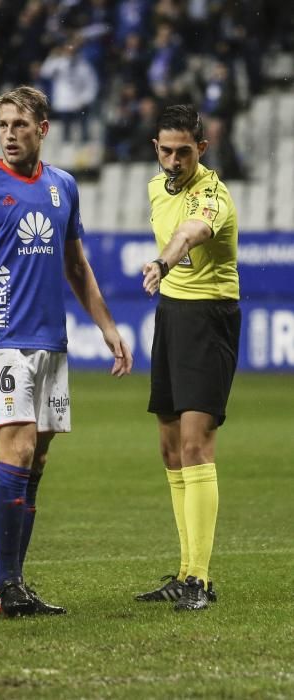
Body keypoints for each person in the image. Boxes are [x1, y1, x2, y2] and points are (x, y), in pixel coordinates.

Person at [0, 85, 133, 618]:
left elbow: (77, 267)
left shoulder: (63, 187)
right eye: (4, 125)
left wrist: (107, 326)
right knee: (14, 454)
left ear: (43, 128)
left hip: (51, 344)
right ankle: (4, 585)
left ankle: (14, 583)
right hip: (1, 339)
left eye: (20, 124)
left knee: (36, 459)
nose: (10, 133)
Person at [135, 104, 240, 611]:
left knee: (198, 446)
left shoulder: (214, 197)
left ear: (202, 148)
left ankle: (200, 579)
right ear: (155, 148)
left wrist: (161, 261)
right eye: (166, 151)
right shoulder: (156, 188)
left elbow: (189, 234)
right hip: (172, 316)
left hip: (209, 317)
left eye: (184, 151)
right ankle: (183, 570)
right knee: (171, 449)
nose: (173, 161)